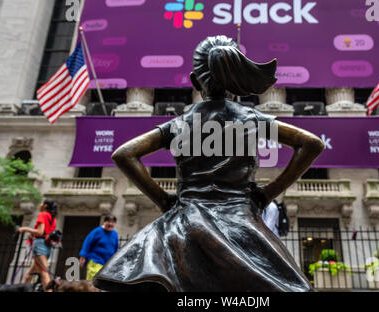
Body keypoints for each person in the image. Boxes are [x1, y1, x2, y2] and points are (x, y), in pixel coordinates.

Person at [93, 35, 324, 292]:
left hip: (183, 225)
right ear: (235, 80)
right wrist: (269, 192)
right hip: (240, 225)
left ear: (195, 81)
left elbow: (124, 154)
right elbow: (311, 143)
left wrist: (163, 200)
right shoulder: (251, 118)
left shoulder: (179, 124)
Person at [17, 199, 57, 291]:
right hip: (47, 246)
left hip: (40, 245)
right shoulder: (52, 218)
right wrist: (32, 234)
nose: (40, 204)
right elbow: (47, 233)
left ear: (45, 206)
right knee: (29, 275)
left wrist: (24, 228)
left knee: (44, 273)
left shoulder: (42, 214)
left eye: (42, 203)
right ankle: (22, 289)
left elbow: (40, 232)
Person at [79, 215, 119, 281]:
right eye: (108, 222)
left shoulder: (115, 234)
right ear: (104, 222)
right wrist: (83, 256)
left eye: (113, 222)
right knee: (93, 283)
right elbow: (87, 243)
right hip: (95, 261)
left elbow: (116, 248)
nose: (110, 224)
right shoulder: (97, 231)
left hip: (107, 264)